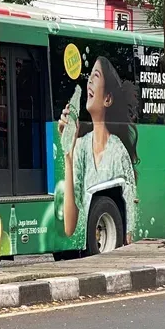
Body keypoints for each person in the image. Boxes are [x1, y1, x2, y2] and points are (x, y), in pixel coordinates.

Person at [58, 56, 138, 246]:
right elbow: (69, 227)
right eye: (89, 77)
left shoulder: (117, 151)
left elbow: (130, 203)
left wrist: (128, 235)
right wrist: (68, 155)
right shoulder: (82, 146)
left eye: (96, 76)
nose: (89, 82)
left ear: (108, 98)